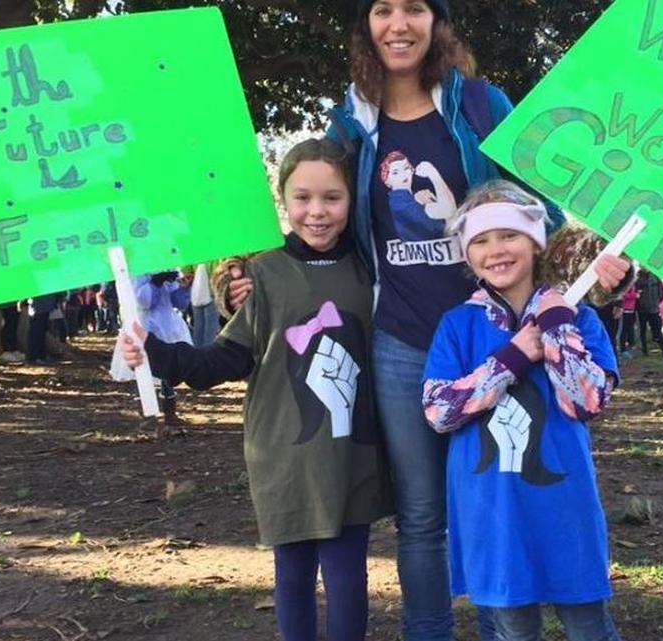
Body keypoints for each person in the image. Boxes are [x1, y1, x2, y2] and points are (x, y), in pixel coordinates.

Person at [226, 3, 629, 637]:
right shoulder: (350, 124)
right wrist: (252, 276)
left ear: (434, 22)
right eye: (382, 10)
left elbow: (539, 213)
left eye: (413, 7)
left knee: (510, 485)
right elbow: (325, 217)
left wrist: (599, 272)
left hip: (498, 333)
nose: (398, 23)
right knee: (420, 514)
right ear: (366, 26)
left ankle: (511, 619)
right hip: (404, 343)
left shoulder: (481, 106)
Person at [120, 139, 392, 641]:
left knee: (348, 576)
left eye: (332, 197)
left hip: (354, 451)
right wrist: (155, 351)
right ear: (283, 201)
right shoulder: (264, 274)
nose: (317, 211)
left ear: (352, 199)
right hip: (284, 453)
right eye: (302, 198)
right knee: (292, 575)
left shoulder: (371, 268)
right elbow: (223, 360)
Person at [422, 181, 623, 641]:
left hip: (564, 506)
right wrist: (512, 356)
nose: (496, 250)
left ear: (535, 242)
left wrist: (555, 325)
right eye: (480, 240)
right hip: (491, 511)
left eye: (509, 235)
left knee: (589, 625)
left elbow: (586, 400)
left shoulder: (580, 319)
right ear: (467, 254)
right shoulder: (457, 325)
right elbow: (438, 412)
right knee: (513, 629)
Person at [134, 271, 192, 427]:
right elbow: (143, 302)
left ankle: (170, 413)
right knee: (144, 370)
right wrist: (156, 282)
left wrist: (184, 287)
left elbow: (179, 303)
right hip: (145, 326)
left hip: (168, 326)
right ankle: (148, 414)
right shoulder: (137, 272)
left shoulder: (165, 265)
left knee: (168, 370)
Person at [634, 269, 663, 356]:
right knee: (642, 331)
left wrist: (657, 302)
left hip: (654, 308)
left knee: (657, 330)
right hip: (641, 309)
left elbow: (661, 291)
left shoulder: (655, 277)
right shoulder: (637, 278)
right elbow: (634, 293)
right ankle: (644, 351)